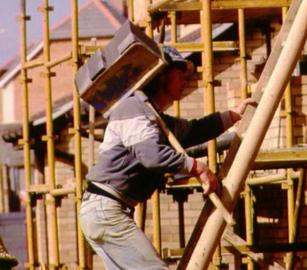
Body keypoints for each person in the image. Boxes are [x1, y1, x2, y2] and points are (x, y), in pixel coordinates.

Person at [79, 45, 254, 270]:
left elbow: (193, 130)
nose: (185, 81)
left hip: (104, 210)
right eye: (180, 75)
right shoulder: (133, 108)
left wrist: (232, 115)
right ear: (161, 76)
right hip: (106, 210)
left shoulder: (154, 116)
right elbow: (151, 155)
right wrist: (198, 168)